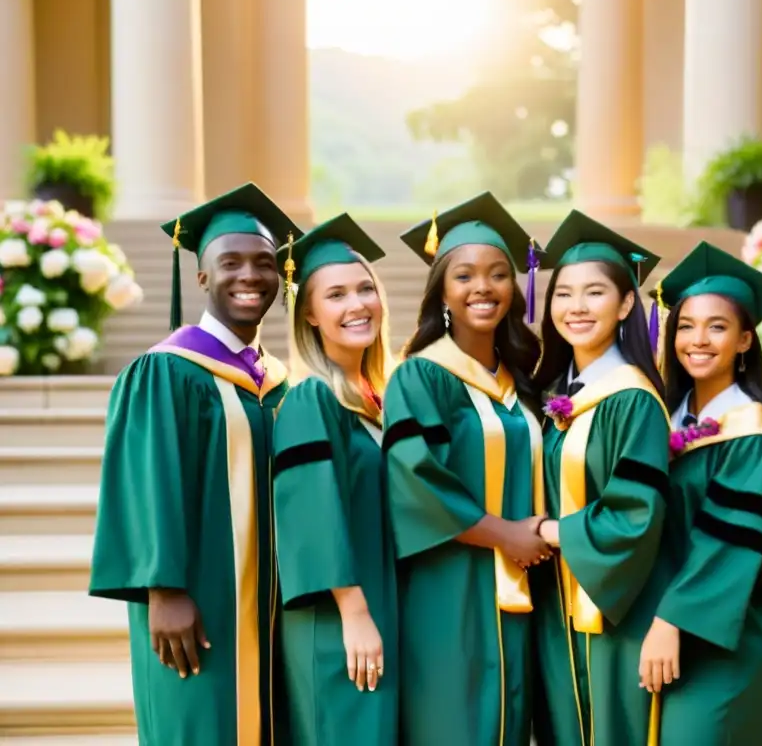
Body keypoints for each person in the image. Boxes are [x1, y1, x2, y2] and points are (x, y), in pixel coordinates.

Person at [89, 182, 298, 745]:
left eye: (264, 262)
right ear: (201, 276)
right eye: (229, 262)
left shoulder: (278, 381)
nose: (249, 276)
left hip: (272, 602)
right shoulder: (166, 372)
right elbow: (146, 483)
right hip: (198, 600)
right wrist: (164, 590)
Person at [382, 192, 549, 746]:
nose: (484, 287)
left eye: (499, 274)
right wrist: (507, 536)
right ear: (443, 292)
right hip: (450, 585)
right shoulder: (420, 377)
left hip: (524, 587)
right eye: (465, 275)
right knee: (454, 720)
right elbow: (415, 477)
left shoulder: (521, 378)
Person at [636, 241, 762, 743]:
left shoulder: (750, 428)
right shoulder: (662, 416)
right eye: (685, 325)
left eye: (717, 327)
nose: (697, 340)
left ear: (746, 339)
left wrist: (671, 620)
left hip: (723, 631)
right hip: (662, 623)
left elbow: (729, 534)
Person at [530, 210, 671, 746]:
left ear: (627, 304)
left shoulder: (632, 398)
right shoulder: (556, 392)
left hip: (616, 609)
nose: (576, 308)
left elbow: (635, 515)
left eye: (594, 293)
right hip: (556, 608)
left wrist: (546, 531)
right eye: (563, 294)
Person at [271, 214, 398, 744]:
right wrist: (355, 612)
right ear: (311, 317)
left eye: (365, 288)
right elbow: (309, 512)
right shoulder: (310, 397)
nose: (357, 305)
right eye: (336, 295)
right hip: (337, 614)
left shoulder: (377, 398)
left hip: (377, 603)